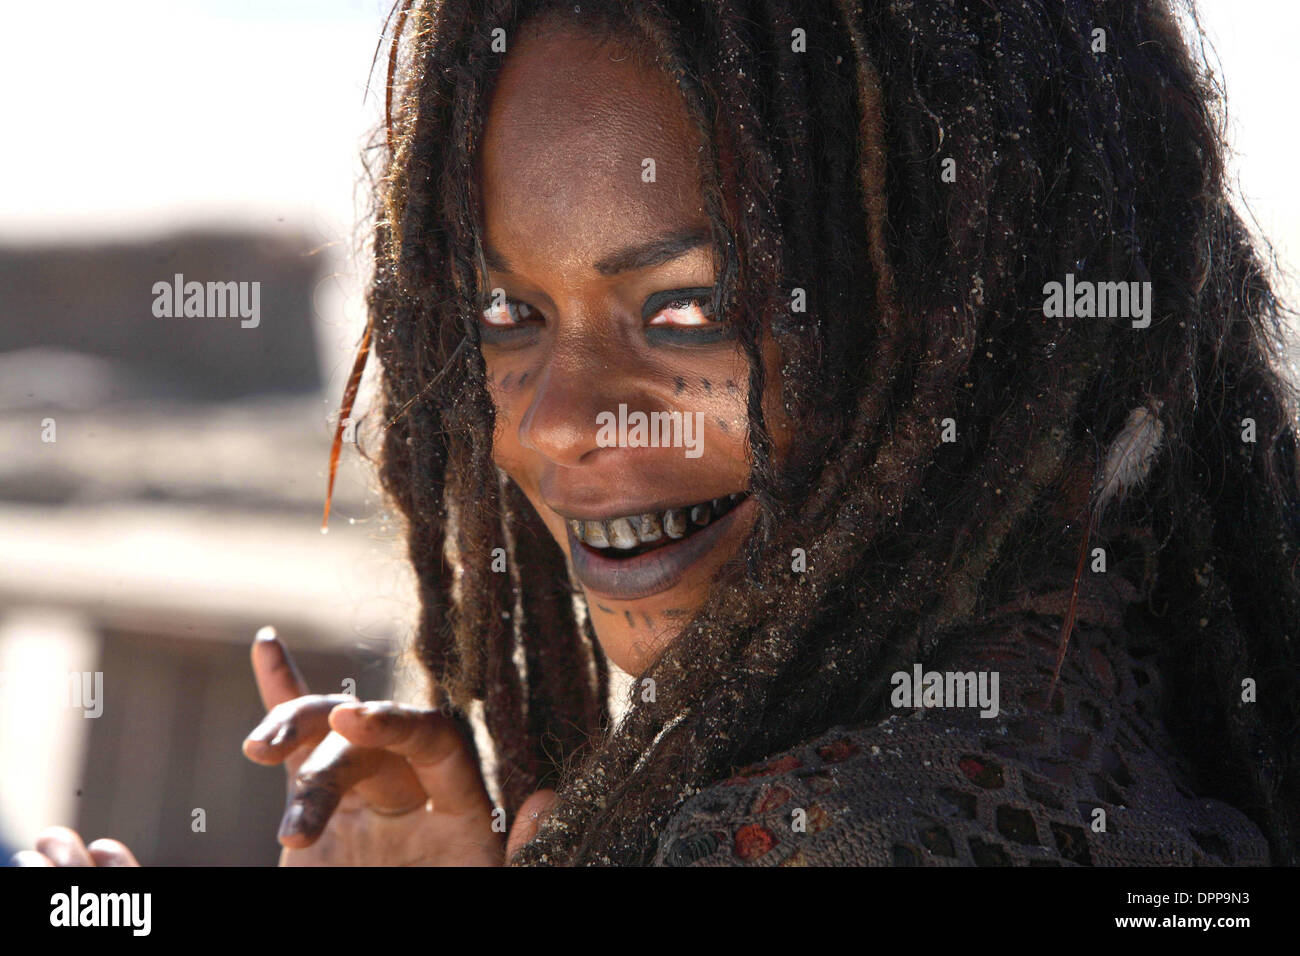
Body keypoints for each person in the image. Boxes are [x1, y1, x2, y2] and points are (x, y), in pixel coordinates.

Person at [18, 0, 1300, 867]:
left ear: (981, 312)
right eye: (508, 312)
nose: (561, 421)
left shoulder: (836, 827)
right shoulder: (1132, 705)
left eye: (692, 307)